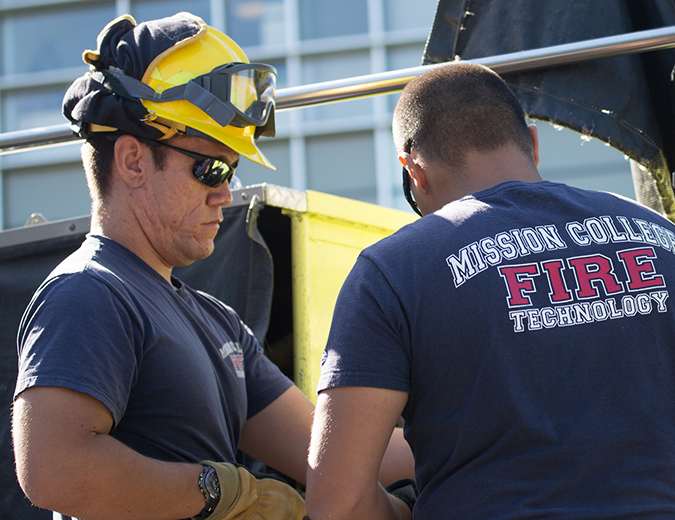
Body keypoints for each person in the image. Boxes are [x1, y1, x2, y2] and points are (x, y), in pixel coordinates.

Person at [12, 12, 412, 520]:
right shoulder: (89, 292)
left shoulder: (216, 322)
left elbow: (333, 454)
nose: (225, 192)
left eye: (232, 169)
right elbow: (54, 470)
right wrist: (223, 492)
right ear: (133, 161)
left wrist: (481, 444)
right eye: (209, 168)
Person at [306, 62, 675, 519]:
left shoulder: (393, 270)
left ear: (412, 169)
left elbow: (338, 502)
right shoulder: (665, 239)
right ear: (532, 143)